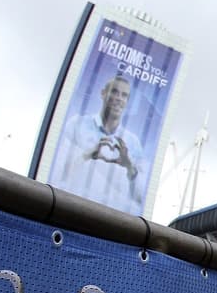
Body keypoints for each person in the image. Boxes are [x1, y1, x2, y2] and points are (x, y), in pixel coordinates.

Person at [49, 74, 147, 214]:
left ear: (127, 101)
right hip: (70, 208)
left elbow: (140, 199)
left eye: (124, 95)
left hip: (111, 217)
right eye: (114, 92)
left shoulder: (133, 142)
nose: (119, 98)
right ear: (103, 93)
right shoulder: (77, 124)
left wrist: (129, 166)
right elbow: (56, 172)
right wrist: (87, 155)